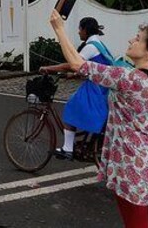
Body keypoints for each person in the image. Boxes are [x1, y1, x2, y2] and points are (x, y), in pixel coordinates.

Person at [49, 10, 148, 228]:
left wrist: (59, 29)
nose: (131, 40)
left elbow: (77, 64)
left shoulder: (130, 79)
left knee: (135, 223)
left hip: (131, 166)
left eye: (138, 39)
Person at [40, 16, 113, 159]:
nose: (79, 32)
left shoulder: (91, 47)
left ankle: (68, 148)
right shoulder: (98, 44)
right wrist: (73, 76)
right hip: (102, 86)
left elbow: (73, 64)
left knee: (71, 108)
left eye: (80, 29)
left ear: (85, 30)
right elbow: (88, 67)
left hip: (95, 88)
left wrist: (49, 68)